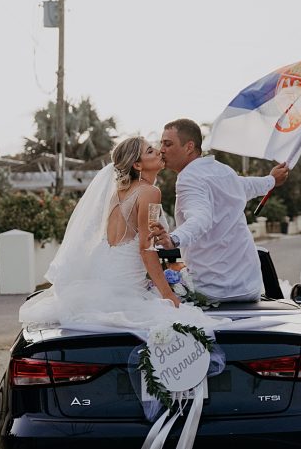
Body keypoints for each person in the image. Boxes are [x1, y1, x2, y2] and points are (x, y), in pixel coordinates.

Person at [19, 136, 211, 331]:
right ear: (137, 164)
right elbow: (147, 248)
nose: (159, 151)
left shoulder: (117, 194)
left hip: (101, 278)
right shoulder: (150, 192)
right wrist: (167, 294)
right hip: (125, 281)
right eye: (150, 151)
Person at [150, 118, 289, 303]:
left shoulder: (188, 178)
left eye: (168, 144)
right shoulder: (223, 171)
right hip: (249, 286)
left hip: (211, 289)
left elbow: (201, 218)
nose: (162, 150)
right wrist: (272, 180)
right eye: (161, 144)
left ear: (189, 147)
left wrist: (174, 239)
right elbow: (247, 186)